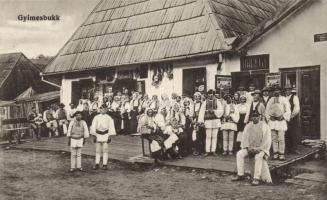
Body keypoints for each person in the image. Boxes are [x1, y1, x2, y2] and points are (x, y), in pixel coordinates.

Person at [232, 112, 272, 186]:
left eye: (256, 116)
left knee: (258, 157)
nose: (255, 118)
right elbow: (244, 138)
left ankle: (256, 178)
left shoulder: (264, 126)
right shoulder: (248, 126)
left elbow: (267, 140)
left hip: (261, 148)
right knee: (239, 154)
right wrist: (248, 147)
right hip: (250, 148)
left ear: (259, 117)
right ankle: (240, 174)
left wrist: (259, 149)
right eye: (253, 116)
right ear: (251, 118)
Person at [265, 85, 291, 160]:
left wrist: (283, 116)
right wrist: (270, 117)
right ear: (273, 92)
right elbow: (267, 110)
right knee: (274, 138)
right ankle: (275, 153)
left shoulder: (284, 99)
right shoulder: (271, 100)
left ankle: (281, 153)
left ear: (280, 91)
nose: (276, 92)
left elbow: (288, 110)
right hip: (273, 121)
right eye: (275, 90)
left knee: (281, 138)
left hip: (281, 121)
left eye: (278, 90)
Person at [198, 90, 224, 156]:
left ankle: (213, 150)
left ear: (214, 95)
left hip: (215, 120)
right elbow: (201, 112)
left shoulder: (217, 101)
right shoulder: (205, 102)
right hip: (208, 121)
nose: (211, 95)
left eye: (212, 94)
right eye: (209, 94)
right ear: (207, 95)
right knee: (208, 136)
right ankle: (207, 150)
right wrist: (201, 121)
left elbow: (221, 110)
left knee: (214, 136)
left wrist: (214, 111)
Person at [90, 104, 116, 170]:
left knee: (105, 150)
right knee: (98, 150)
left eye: (105, 109)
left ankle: (105, 164)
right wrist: (94, 135)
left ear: (106, 110)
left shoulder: (109, 118)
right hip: (98, 134)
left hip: (105, 134)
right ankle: (97, 164)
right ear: (100, 109)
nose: (103, 110)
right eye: (102, 109)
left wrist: (109, 136)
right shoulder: (96, 117)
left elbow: (111, 127)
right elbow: (93, 127)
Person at [285, 86, 301, 154]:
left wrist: (292, 116)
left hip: (292, 118)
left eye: (288, 90)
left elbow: (297, 108)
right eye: (286, 90)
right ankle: (288, 149)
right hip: (285, 118)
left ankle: (295, 149)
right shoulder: (284, 98)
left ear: (291, 91)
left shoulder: (294, 97)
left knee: (294, 133)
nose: (287, 91)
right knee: (287, 133)